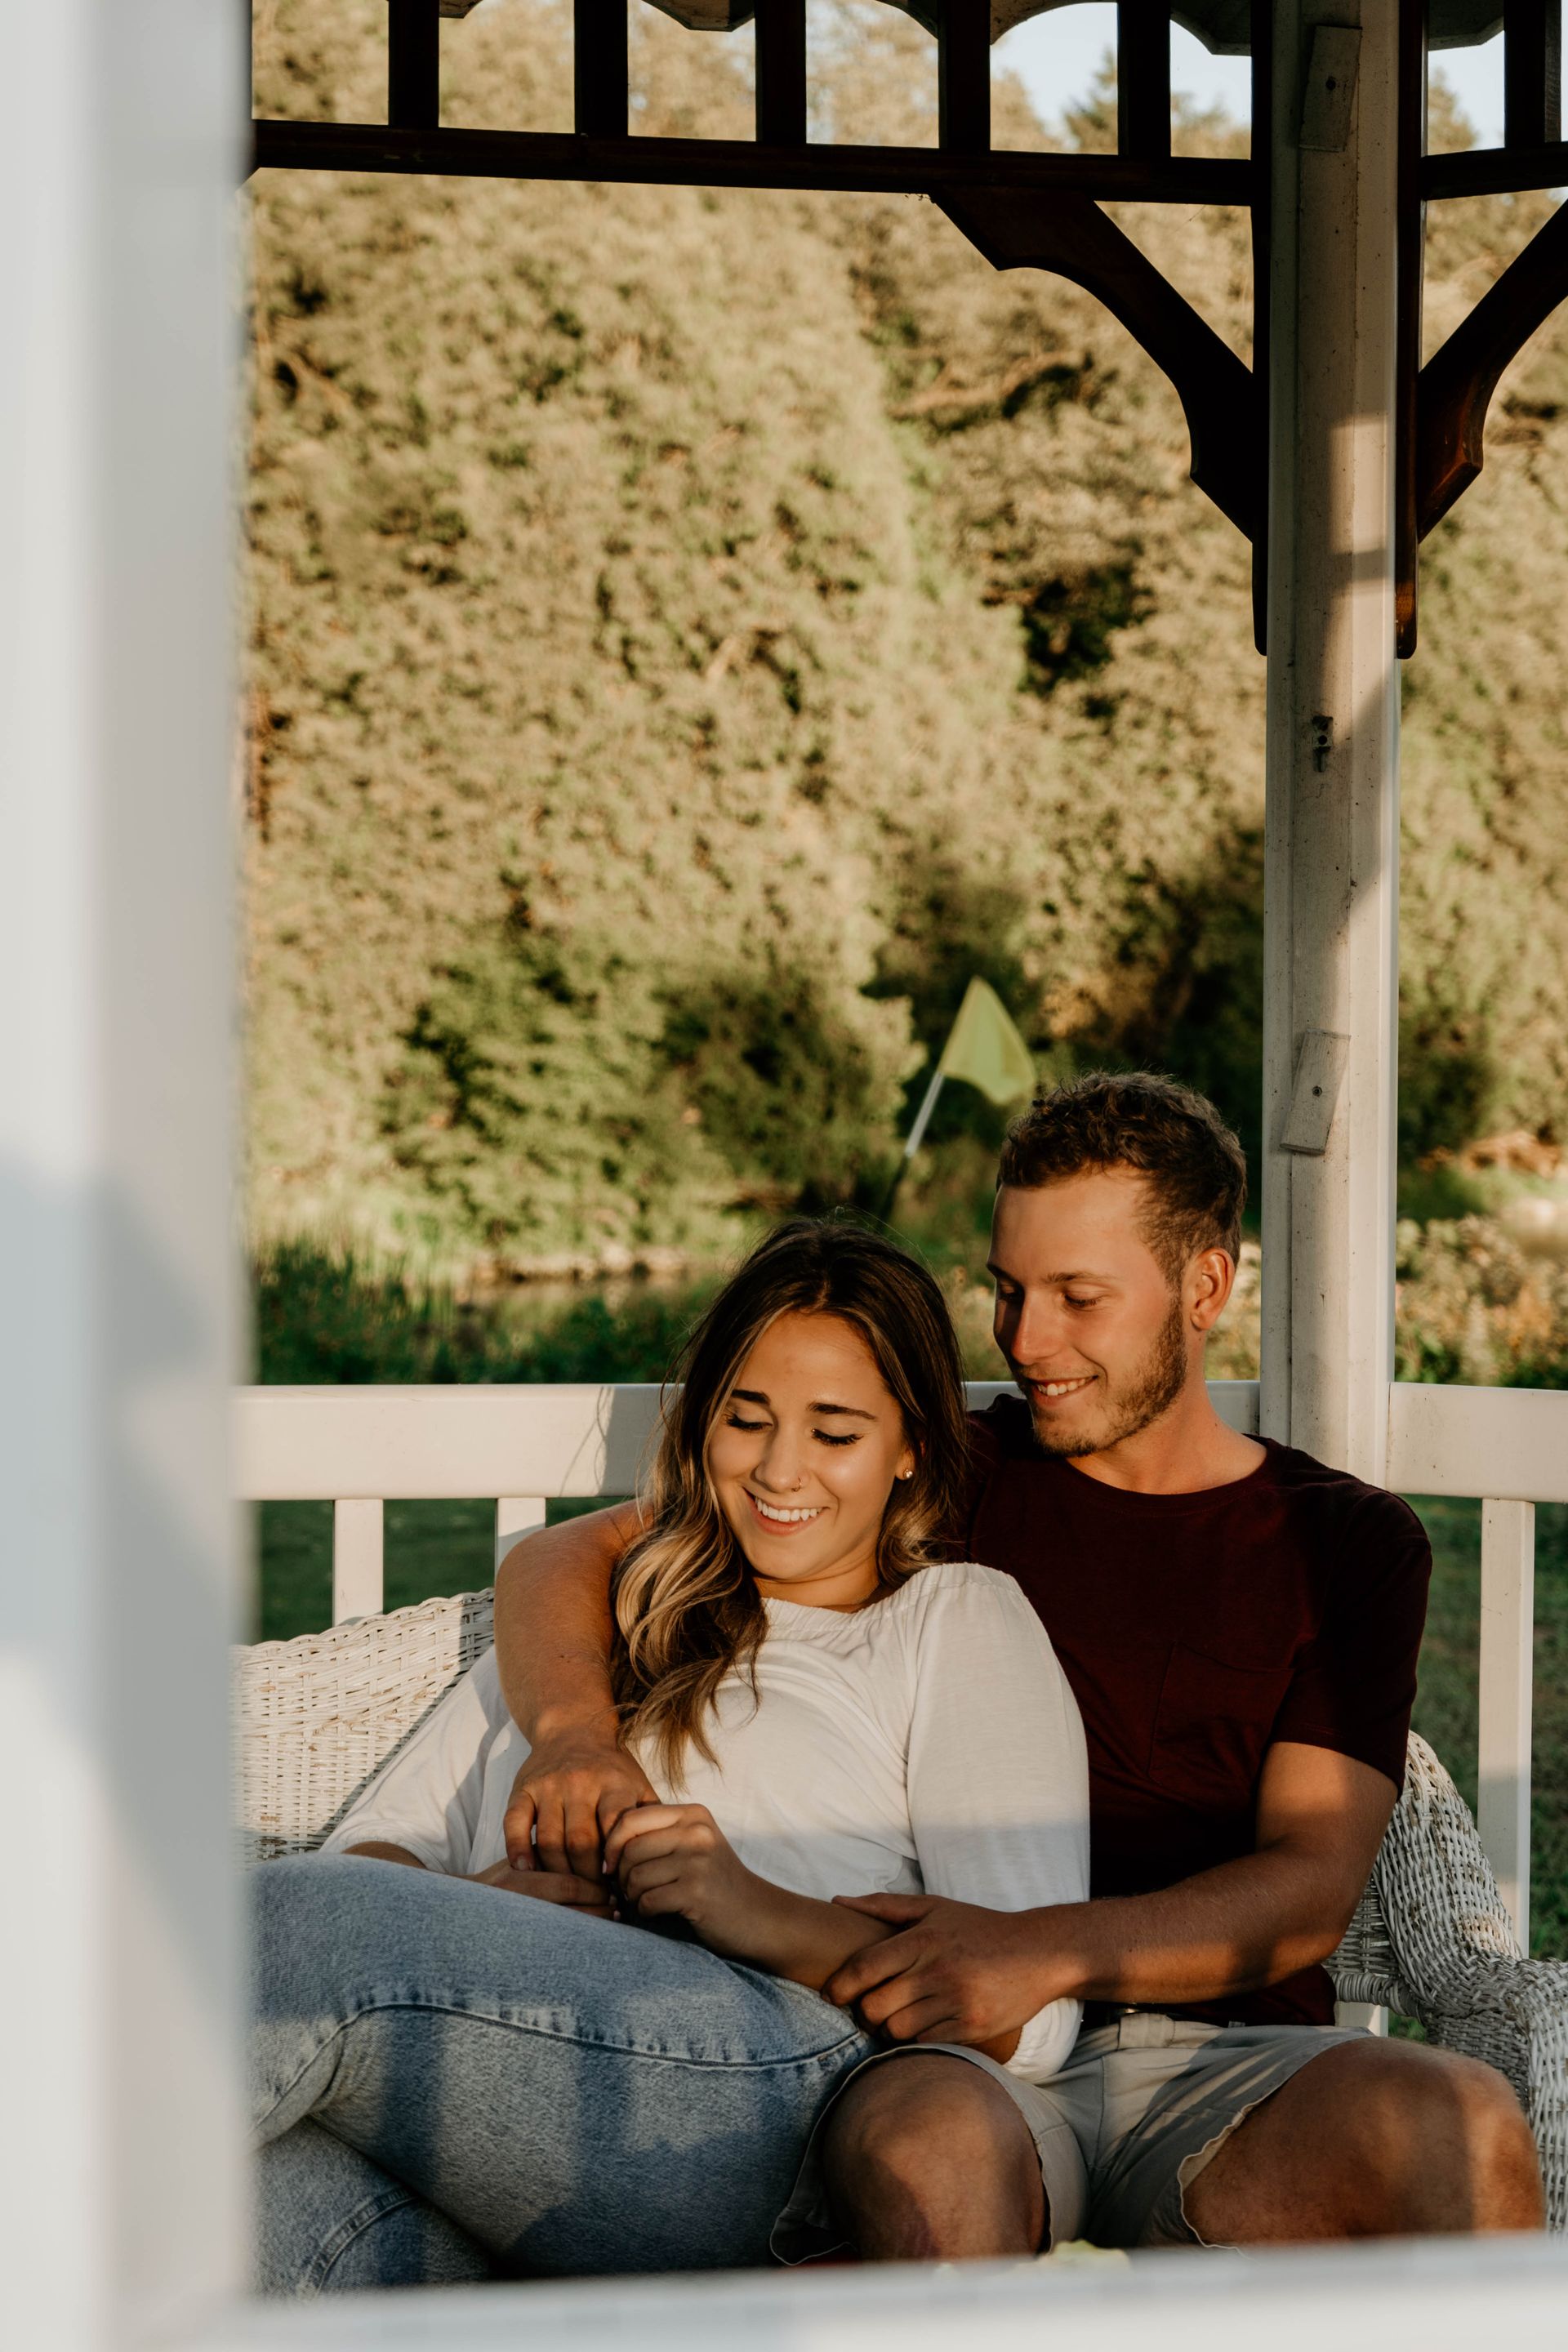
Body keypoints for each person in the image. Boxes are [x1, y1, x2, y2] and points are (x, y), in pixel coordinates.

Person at [492, 1072, 1545, 2256]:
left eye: (1076, 1298)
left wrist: (1042, 1950)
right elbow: (564, 1559)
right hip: (942, 2044)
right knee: (930, 2150)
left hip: (1211, 2059)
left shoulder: (1344, 1542)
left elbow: (1309, 1882)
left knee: (1458, 2122)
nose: (1026, 1343)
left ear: (1207, 1283)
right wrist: (575, 1733)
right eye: (1006, 1290)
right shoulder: (951, 1470)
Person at [249, 1220, 1089, 2291]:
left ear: (911, 1446)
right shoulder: (588, 1634)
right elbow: (377, 1870)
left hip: (766, 2091)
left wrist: (754, 1907)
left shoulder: (949, 1621)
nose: (781, 1471)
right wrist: (496, 1908)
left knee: (293, 1919)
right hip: (509, 2101)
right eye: (747, 1421)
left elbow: (1039, 2018)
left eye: (835, 1433)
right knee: (269, 2207)